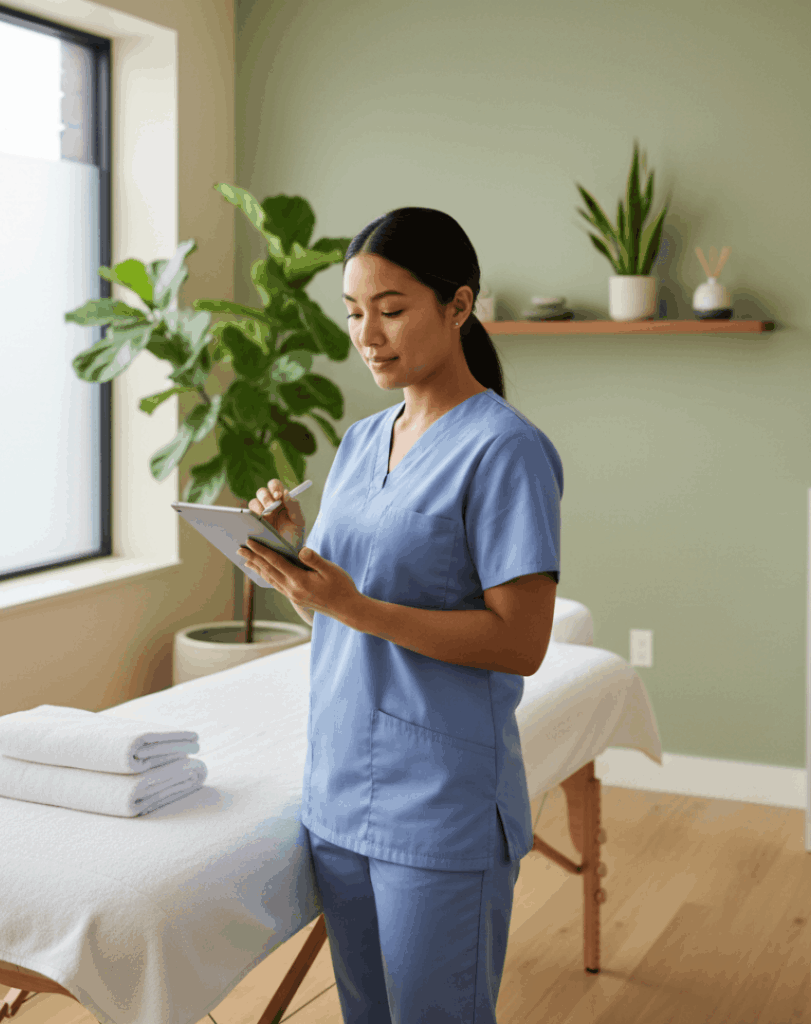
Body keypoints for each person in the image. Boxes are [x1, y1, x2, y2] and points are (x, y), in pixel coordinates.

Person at [237, 207, 563, 1024]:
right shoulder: (359, 442)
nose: (367, 334)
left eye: (390, 309)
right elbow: (347, 618)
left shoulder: (505, 450)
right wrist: (296, 566)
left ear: (458, 306)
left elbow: (521, 643)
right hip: (341, 791)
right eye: (352, 313)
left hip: (439, 807)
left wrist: (353, 603)